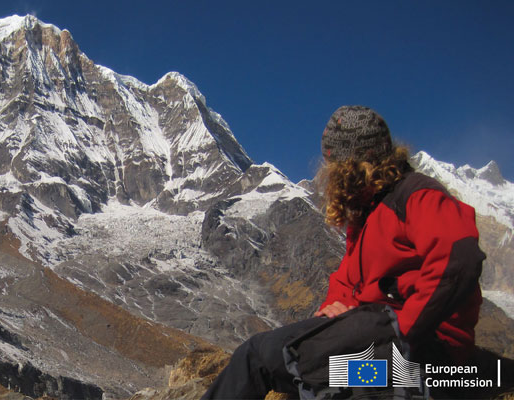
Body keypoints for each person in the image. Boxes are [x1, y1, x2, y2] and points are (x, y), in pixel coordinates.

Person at [201, 105, 486, 399]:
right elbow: (349, 282)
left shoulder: (416, 196)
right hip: (389, 365)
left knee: (258, 357)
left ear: (350, 164)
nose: (326, 173)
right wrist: (336, 309)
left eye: (331, 164)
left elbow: (459, 259)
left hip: (422, 359)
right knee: (314, 377)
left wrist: (405, 328)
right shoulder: (367, 212)